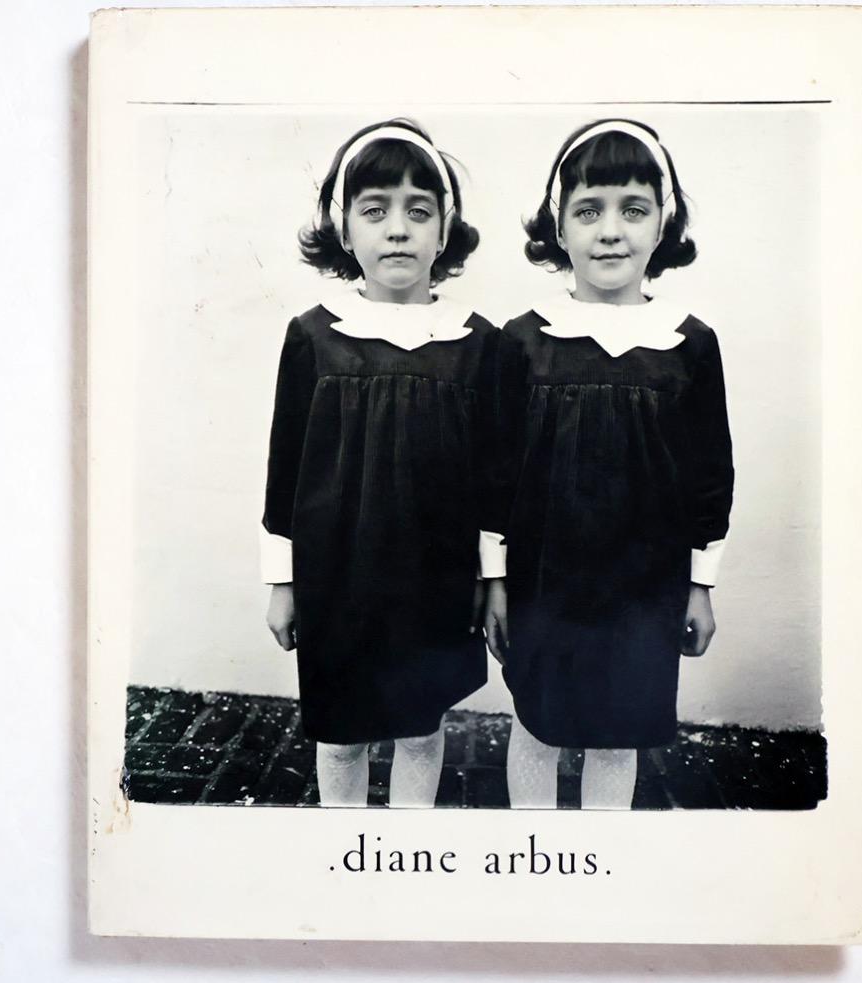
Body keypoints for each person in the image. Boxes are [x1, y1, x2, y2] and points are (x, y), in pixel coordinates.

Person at [484, 119, 734, 809]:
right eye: (589, 211)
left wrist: (700, 585)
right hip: (544, 581)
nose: (611, 232)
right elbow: (494, 475)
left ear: (663, 223)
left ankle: (602, 851)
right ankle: (535, 848)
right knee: (537, 724)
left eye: (634, 209)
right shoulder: (524, 341)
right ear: (558, 226)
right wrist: (494, 579)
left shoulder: (688, 345)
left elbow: (710, 476)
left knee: (617, 733)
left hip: (643, 586)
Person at [262, 120, 505, 808]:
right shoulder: (314, 336)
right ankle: (345, 841)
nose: (398, 229)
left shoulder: (476, 343)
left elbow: (496, 478)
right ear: (344, 229)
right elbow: (285, 470)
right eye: (375, 210)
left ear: (444, 229)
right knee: (342, 733)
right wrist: (282, 580)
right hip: (338, 573)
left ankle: (407, 840)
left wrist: (493, 578)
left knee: (420, 727)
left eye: (418, 211)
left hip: (435, 578)